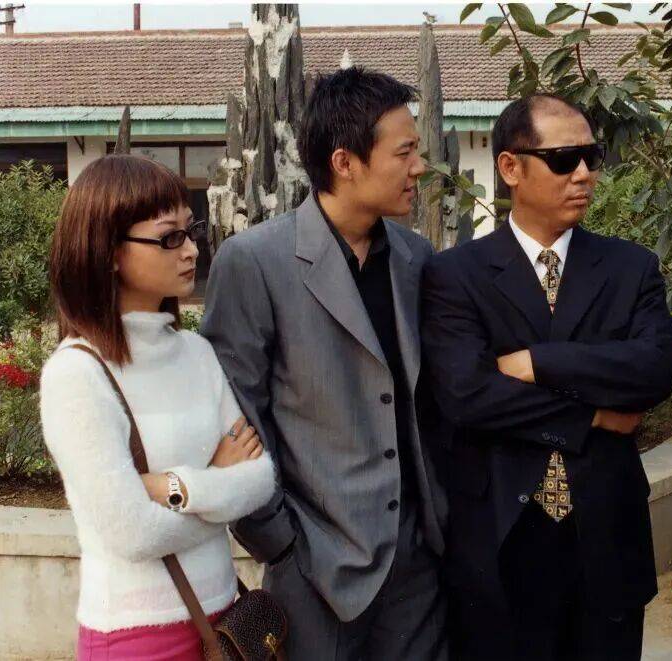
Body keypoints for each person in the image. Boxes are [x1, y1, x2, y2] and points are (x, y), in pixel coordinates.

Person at [421, 93, 672, 660]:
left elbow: (654, 369)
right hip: (499, 536)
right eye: (564, 159)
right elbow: (468, 395)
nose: (584, 173)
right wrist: (592, 415)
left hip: (606, 537)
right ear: (511, 167)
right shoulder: (455, 275)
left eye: (591, 157)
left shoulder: (629, 267)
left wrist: (539, 363)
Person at [201, 66, 448, 660]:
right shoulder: (255, 262)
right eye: (405, 153)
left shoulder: (415, 257)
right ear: (345, 162)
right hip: (316, 572)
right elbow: (235, 414)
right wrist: (281, 545)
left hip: (419, 568)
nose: (419, 167)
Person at [39, 154, 276, 660]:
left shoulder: (196, 352)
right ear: (108, 252)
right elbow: (130, 532)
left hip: (225, 620)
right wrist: (218, 485)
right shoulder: (76, 373)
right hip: (135, 635)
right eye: (170, 237)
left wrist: (174, 487)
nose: (190, 250)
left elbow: (259, 479)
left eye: (191, 231)